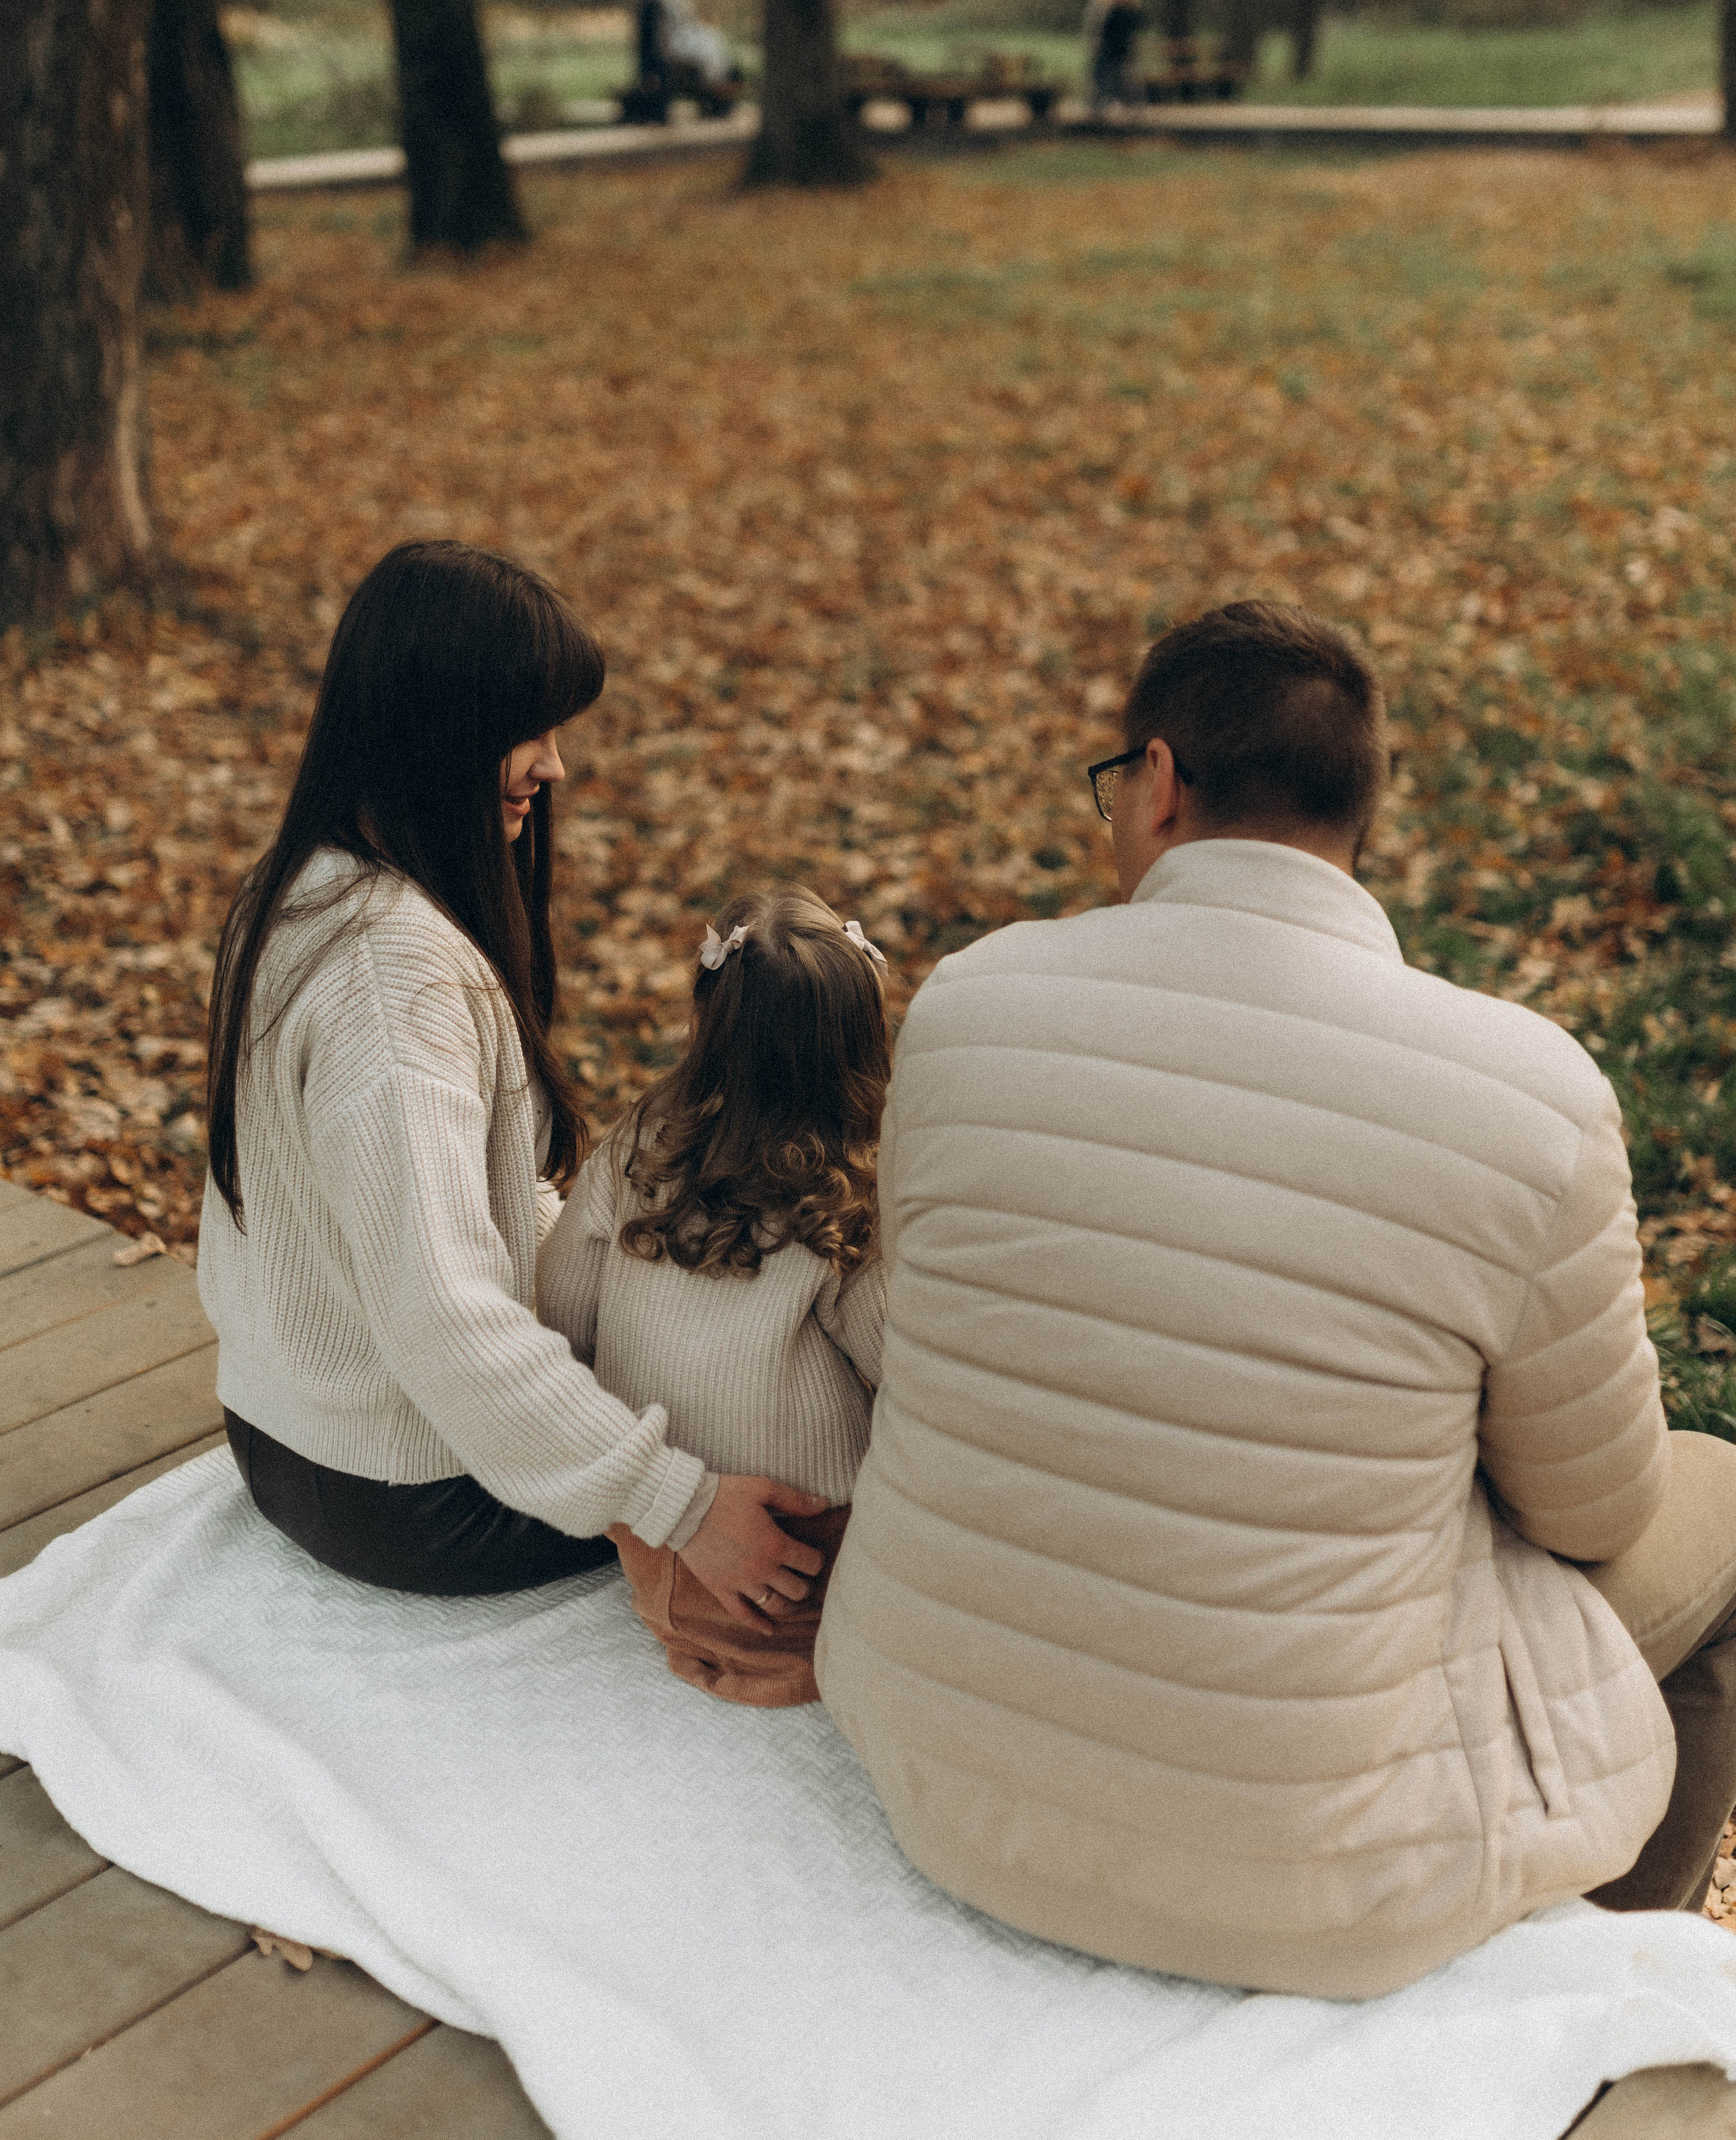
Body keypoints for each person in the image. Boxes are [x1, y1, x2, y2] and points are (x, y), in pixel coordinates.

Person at [818, 597, 1736, 2000]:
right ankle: (1588, 2011)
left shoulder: (967, 1006)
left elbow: (922, 1338)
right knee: (1719, 1500)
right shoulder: (1524, 1096)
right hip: (1308, 1874)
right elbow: (1594, 1510)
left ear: (1160, 779)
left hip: (944, 1777)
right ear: (1356, 810)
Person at [198, 540, 829, 1608]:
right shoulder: (393, 976)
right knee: (797, 1442)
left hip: (277, 1430)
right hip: (407, 1494)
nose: (555, 764)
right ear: (431, 728)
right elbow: (447, 1315)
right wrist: (678, 1502)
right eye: (522, 731)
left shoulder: (298, 882)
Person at [538, 890, 889, 1703]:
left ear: (704, 1025)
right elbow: (914, 1371)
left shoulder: (633, 1152)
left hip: (659, 1542)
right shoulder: (847, 1208)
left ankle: (698, 1642)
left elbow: (557, 1315)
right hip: (799, 1558)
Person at [1084, 0, 1143, 115]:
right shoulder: (1103, 4)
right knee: (1108, 76)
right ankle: (1104, 104)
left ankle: (1125, 104)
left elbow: (1114, 29)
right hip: (1110, 48)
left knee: (1120, 76)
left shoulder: (1120, 8)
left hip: (1116, 48)